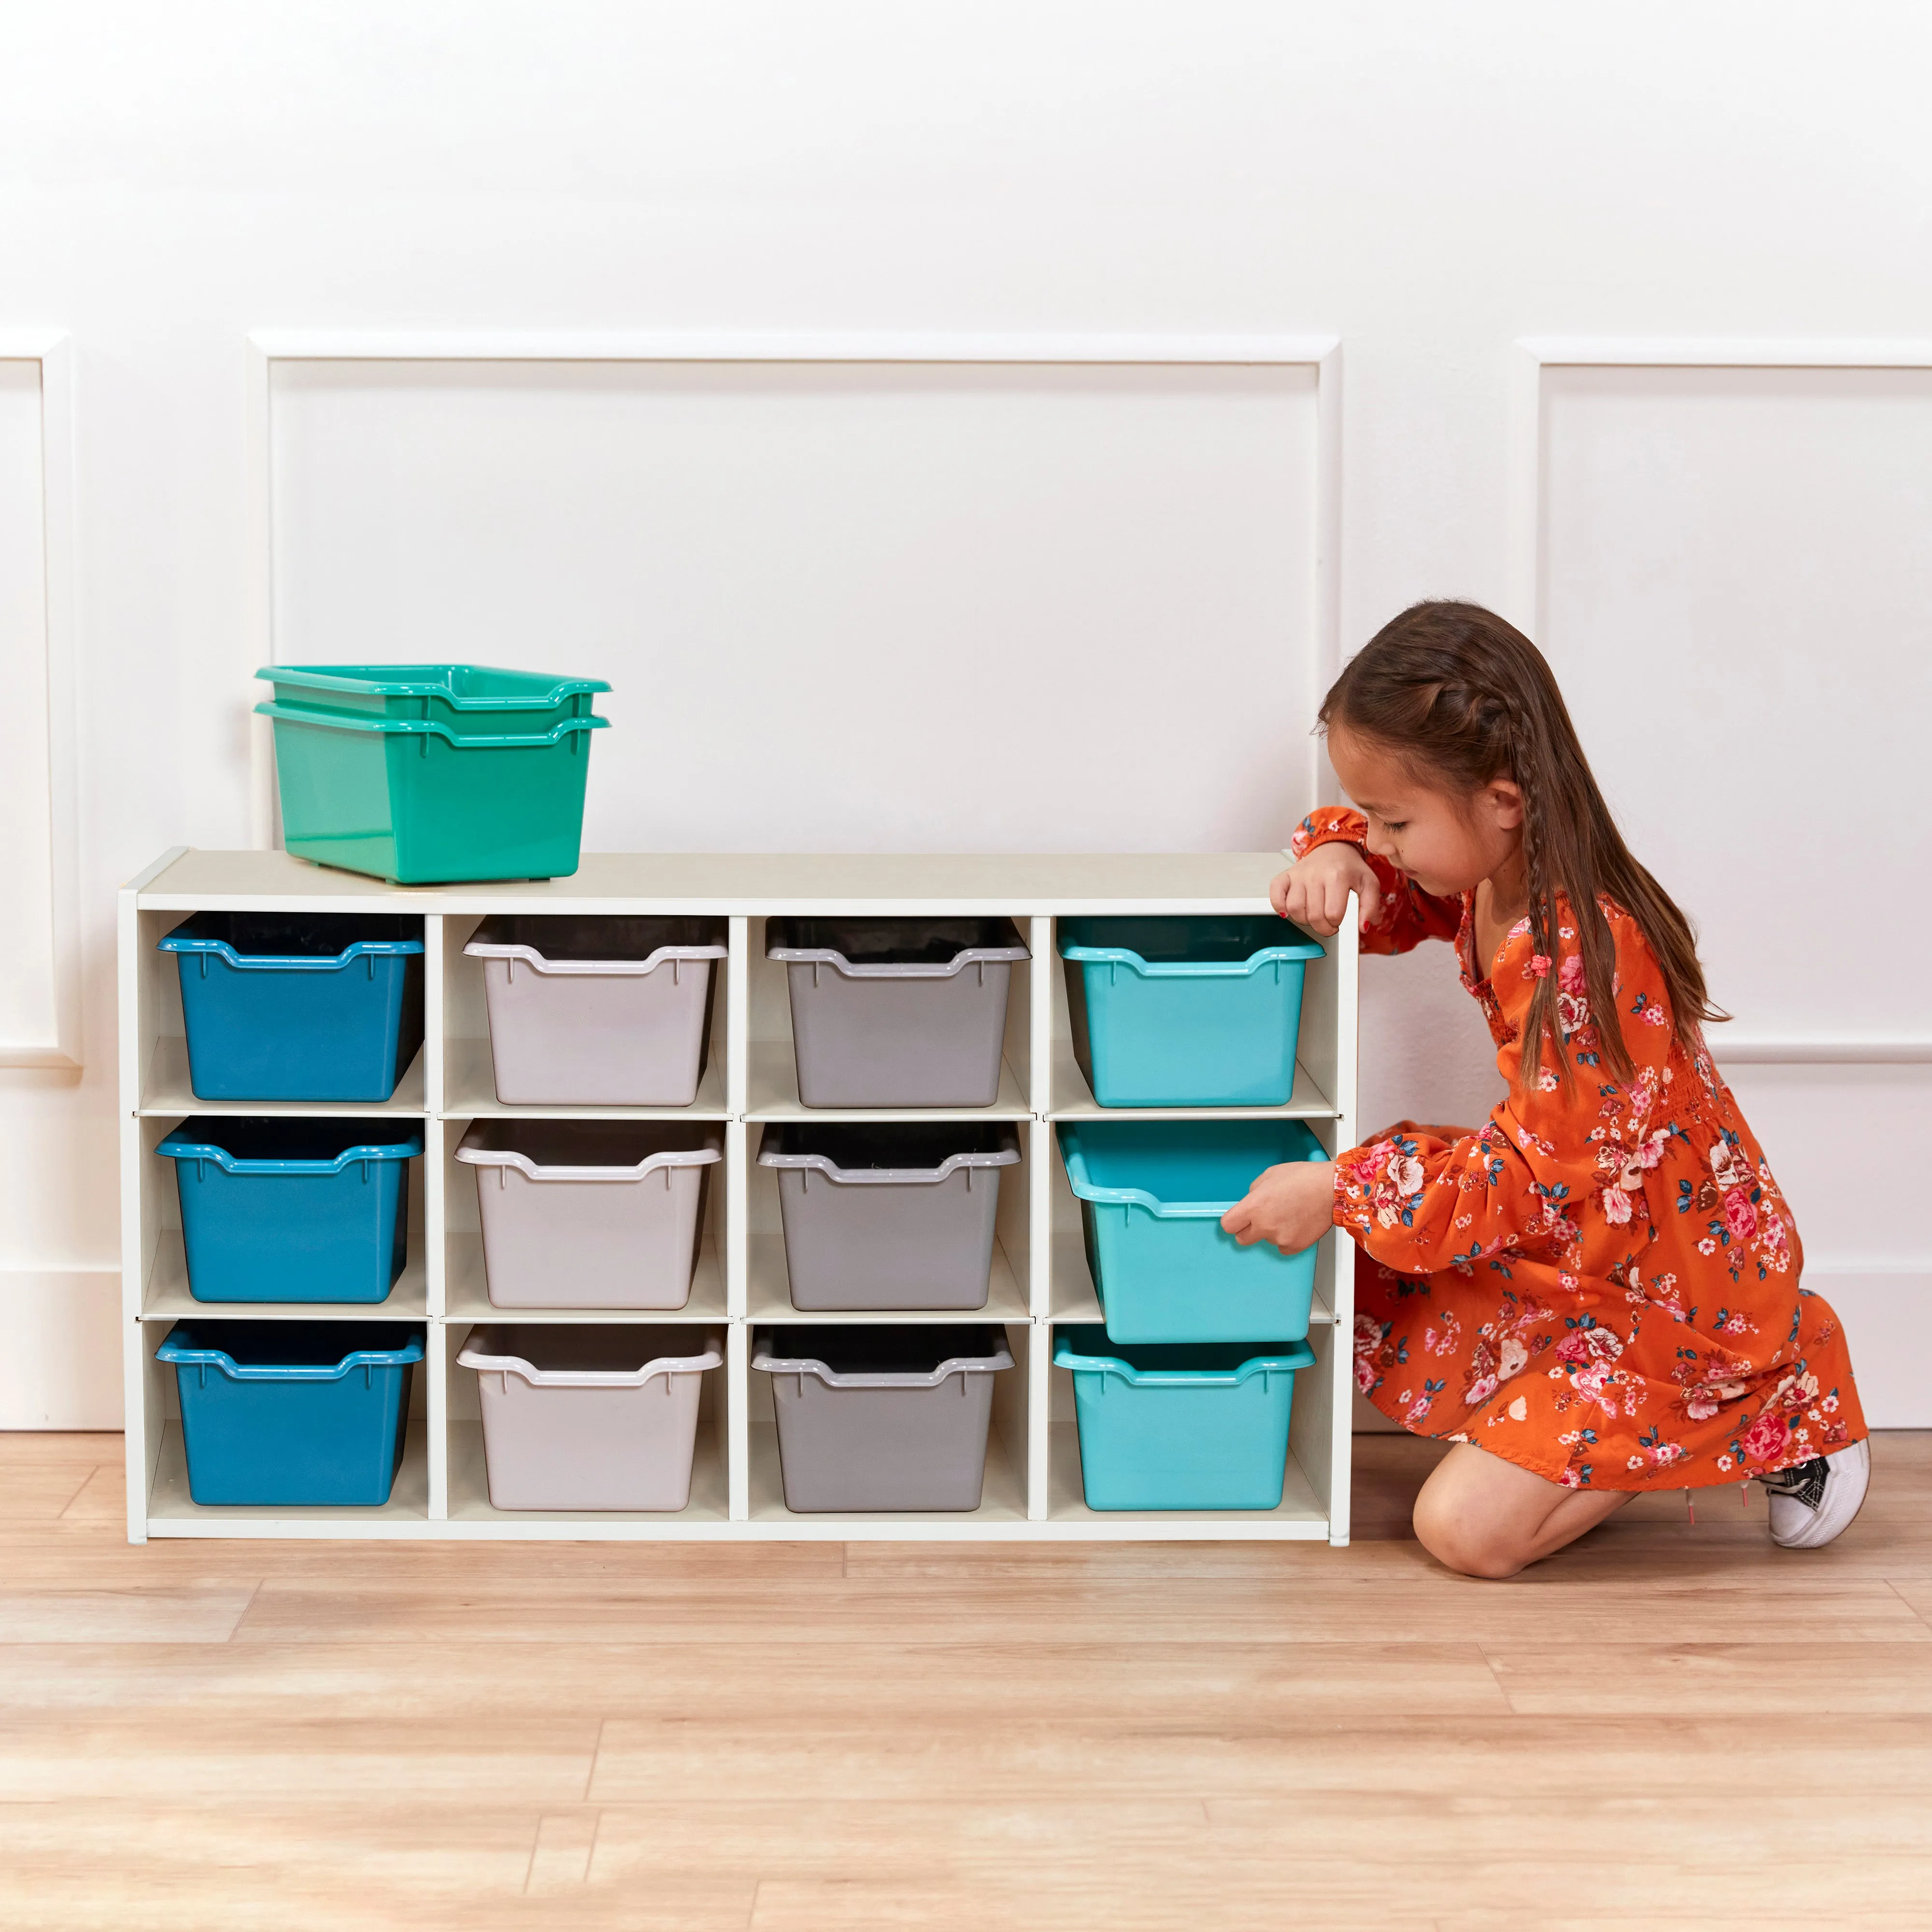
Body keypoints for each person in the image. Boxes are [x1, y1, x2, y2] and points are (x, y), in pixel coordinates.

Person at [1223, 600, 1868, 1577]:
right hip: (1588, 1233)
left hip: (1675, 1288)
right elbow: (1397, 889)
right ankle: (1574, 1412)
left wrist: (1344, 1188)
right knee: (1379, 1270)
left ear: (1501, 799)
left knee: (1464, 1533)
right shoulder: (1491, 870)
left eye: (1395, 820)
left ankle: (1776, 1382)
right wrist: (1339, 850)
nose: (1384, 840)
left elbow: (1521, 1176)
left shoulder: (1583, 955)